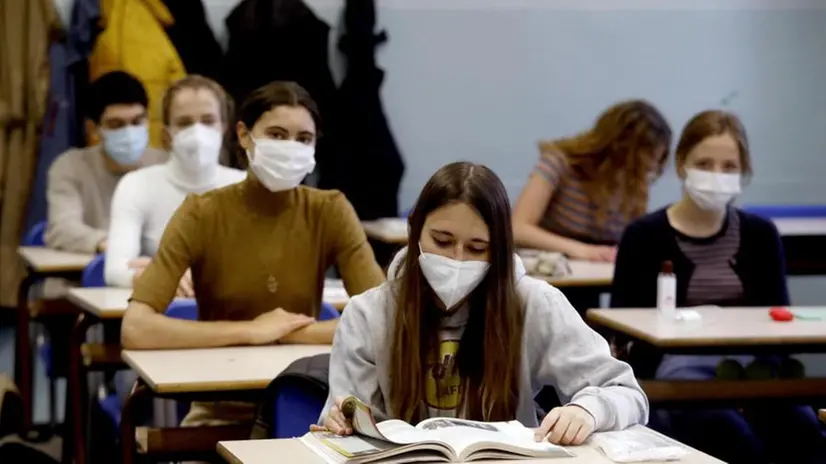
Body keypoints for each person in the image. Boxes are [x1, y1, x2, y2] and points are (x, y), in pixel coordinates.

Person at [316, 162, 647, 446]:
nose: (457, 259)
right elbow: (345, 420)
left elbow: (625, 391)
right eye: (442, 241)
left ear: (499, 249)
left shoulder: (533, 303)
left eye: (477, 248)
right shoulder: (369, 313)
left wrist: (587, 410)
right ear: (415, 230)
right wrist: (341, 424)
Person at [120, 81, 385, 427]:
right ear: (244, 135)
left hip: (311, 405)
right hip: (219, 408)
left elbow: (382, 323)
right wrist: (250, 331)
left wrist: (289, 333)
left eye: (303, 139)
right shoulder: (201, 212)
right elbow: (136, 328)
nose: (290, 147)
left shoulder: (330, 209)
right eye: (276, 135)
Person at [611, 110, 824, 464]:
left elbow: (780, 325)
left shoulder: (761, 235)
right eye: (704, 163)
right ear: (681, 165)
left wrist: (749, 387)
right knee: (732, 437)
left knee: (805, 434)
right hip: (676, 380)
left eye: (729, 167)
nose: (716, 176)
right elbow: (621, 332)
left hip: (756, 374)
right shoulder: (643, 236)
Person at [104, 75, 245, 291]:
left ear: (225, 127)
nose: (198, 133)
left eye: (208, 121)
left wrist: (166, 271)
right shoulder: (136, 185)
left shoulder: (247, 187)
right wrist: (158, 277)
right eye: (184, 123)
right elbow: (115, 271)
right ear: (166, 132)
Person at [512, 100, 671, 262]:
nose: (643, 175)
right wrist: (583, 250)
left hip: (601, 277)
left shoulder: (637, 182)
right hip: (554, 272)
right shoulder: (559, 162)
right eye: (637, 166)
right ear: (615, 148)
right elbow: (518, 228)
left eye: (651, 168)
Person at [45, 71, 167, 253]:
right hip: (82, 274)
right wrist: (109, 244)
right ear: (93, 129)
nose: (129, 133)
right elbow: (62, 228)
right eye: (116, 125)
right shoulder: (69, 167)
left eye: (137, 121)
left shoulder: (165, 165)